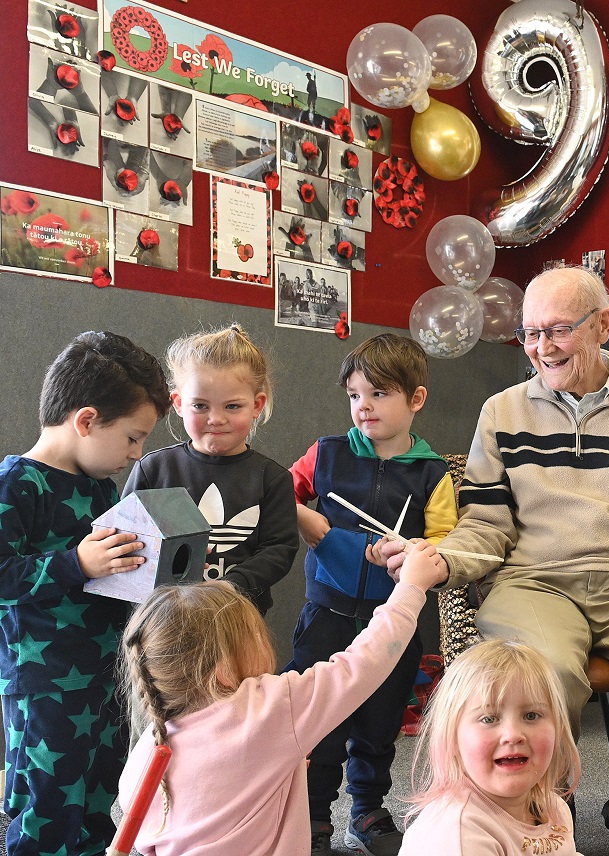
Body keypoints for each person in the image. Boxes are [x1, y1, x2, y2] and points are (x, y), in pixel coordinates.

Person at [385, 266, 609, 856]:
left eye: (558, 330)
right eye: (529, 333)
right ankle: (543, 821)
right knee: (546, 678)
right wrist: (440, 560)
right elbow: (487, 525)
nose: (541, 348)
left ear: (603, 325)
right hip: (536, 585)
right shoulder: (501, 411)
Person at [116, 540, 447, 854]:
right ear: (222, 668)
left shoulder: (147, 749)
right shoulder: (270, 710)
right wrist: (411, 587)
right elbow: (364, 663)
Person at [0, 331, 169, 856]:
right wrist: (77, 562)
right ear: (87, 420)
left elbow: (113, 571)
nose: (136, 454)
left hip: (104, 673)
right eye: (133, 438)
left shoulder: (98, 483)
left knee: (101, 787)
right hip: (44, 683)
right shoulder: (18, 482)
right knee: (48, 795)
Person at [290, 333, 458, 855]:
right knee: (317, 721)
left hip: (396, 619)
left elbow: (446, 542)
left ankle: (366, 810)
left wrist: (416, 552)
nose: (364, 407)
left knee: (380, 720)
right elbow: (281, 498)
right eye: (355, 395)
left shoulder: (433, 473)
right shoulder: (327, 454)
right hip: (328, 611)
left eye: (379, 394)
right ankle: (314, 816)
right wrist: (326, 532)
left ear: (416, 399)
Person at [124, 325, 298, 614]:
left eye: (232, 406)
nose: (216, 419)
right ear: (178, 403)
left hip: (236, 616)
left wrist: (233, 585)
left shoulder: (272, 478)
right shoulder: (153, 469)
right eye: (200, 406)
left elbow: (279, 549)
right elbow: (128, 538)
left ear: (257, 405)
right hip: (161, 617)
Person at [400, 640, 581, 854]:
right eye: (488, 719)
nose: (513, 735)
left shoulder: (554, 808)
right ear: (452, 738)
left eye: (531, 716)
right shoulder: (460, 834)